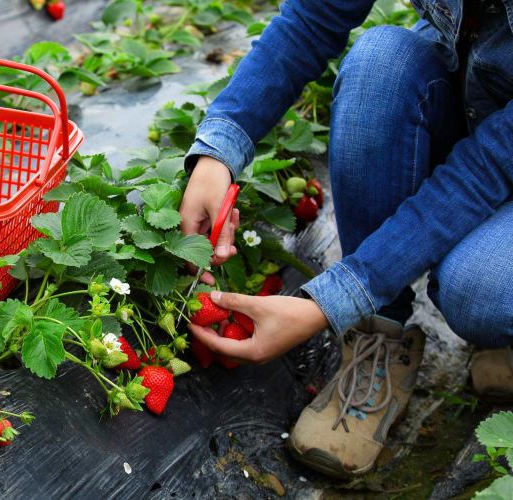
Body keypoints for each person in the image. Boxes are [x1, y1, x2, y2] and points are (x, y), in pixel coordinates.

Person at [180, 0, 513, 479]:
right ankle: (380, 336)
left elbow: (486, 169)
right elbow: (312, 18)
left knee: (478, 288)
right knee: (381, 63)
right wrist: (218, 152)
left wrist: (332, 300)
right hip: (477, 91)